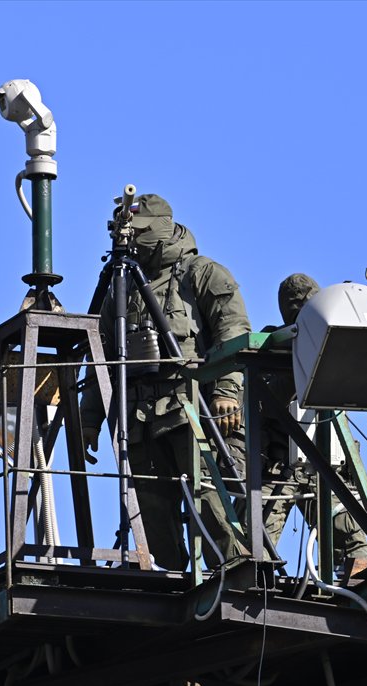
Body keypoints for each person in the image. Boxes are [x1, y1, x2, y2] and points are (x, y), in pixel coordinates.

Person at [80, 194, 250, 571]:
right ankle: (170, 577)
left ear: (160, 229)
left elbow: (233, 331)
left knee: (209, 500)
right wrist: (89, 419)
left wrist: (226, 391)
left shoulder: (202, 273)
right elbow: (100, 354)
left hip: (191, 410)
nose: (129, 240)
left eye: (138, 232)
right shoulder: (121, 288)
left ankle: (233, 571)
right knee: (150, 510)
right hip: (139, 419)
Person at [259, 273, 367, 564]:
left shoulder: (331, 344)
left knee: (357, 552)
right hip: (279, 467)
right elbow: (266, 400)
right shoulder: (272, 346)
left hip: (326, 467)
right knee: (253, 549)